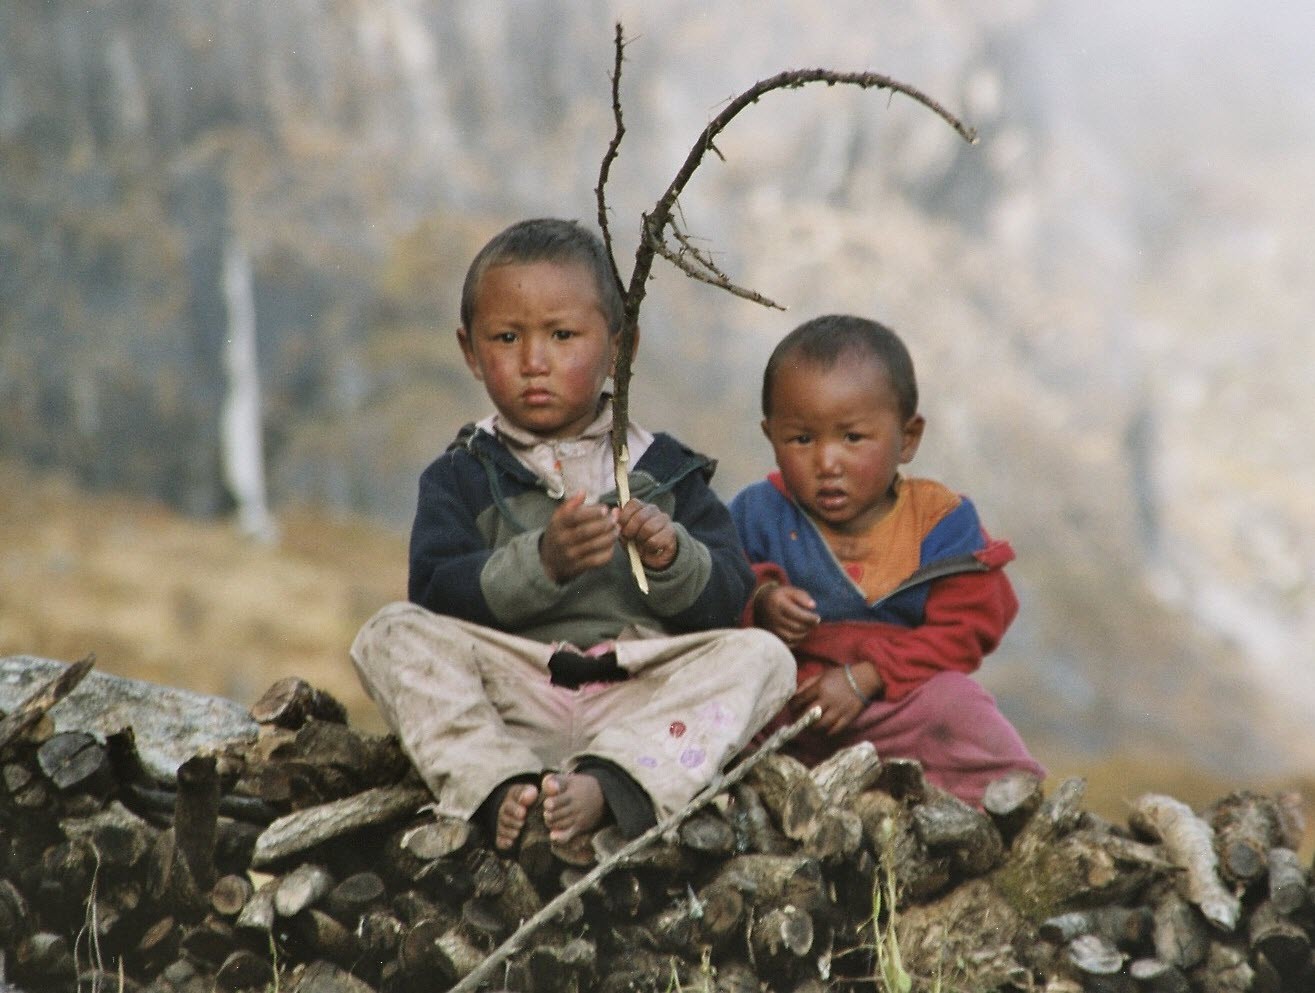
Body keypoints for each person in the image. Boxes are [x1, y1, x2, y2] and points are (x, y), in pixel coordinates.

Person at [350, 218, 796, 858]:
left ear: (620, 348)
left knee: (764, 657)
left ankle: (614, 781)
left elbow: (729, 595)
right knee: (390, 634)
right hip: (516, 693)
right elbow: (438, 594)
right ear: (470, 352)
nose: (534, 362)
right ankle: (502, 785)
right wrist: (542, 563)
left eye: (562, 336)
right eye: (506, 338)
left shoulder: (667, 471)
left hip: (638, 696)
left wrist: (672, 557)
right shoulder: (463, 475)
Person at [729, 314, 1045, 808]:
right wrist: (762, 599)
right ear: (770, 436)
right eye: (801, 439)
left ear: (908, 438)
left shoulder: (940, 522)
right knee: (723, 688)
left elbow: (969, 628)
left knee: (957, 705)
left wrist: (866, 678)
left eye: (852, 438)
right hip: (787, 708)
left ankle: (1006, 802)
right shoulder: (758, 512)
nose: (827, 462)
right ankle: (740, 793)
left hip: (895, 710)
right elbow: (717, 585)